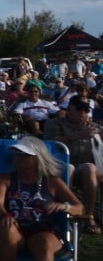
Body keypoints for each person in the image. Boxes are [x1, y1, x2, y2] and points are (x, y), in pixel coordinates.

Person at [0, 136, 84, 261]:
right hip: (16, 229)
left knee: (44, 244)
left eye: (24, 155)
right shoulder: (5, 179)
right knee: (5, 229)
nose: (18, 158)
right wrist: (4, 214)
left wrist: (64, 206)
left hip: (44, 230)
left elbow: (80, 208)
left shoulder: (52, 182)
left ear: (37, 158)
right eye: (17, 154)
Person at [43, 96, 102, 234]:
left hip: (86, 170)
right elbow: (51, 144)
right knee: (69, 168)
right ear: (69, 109)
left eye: (86, 110)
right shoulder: (54, 123)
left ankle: (88, 216)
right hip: (59, 167)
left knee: (89, 167)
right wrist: (77, 136)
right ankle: (64, 218)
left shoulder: (92, 126)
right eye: (79, 109)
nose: (83, 113)